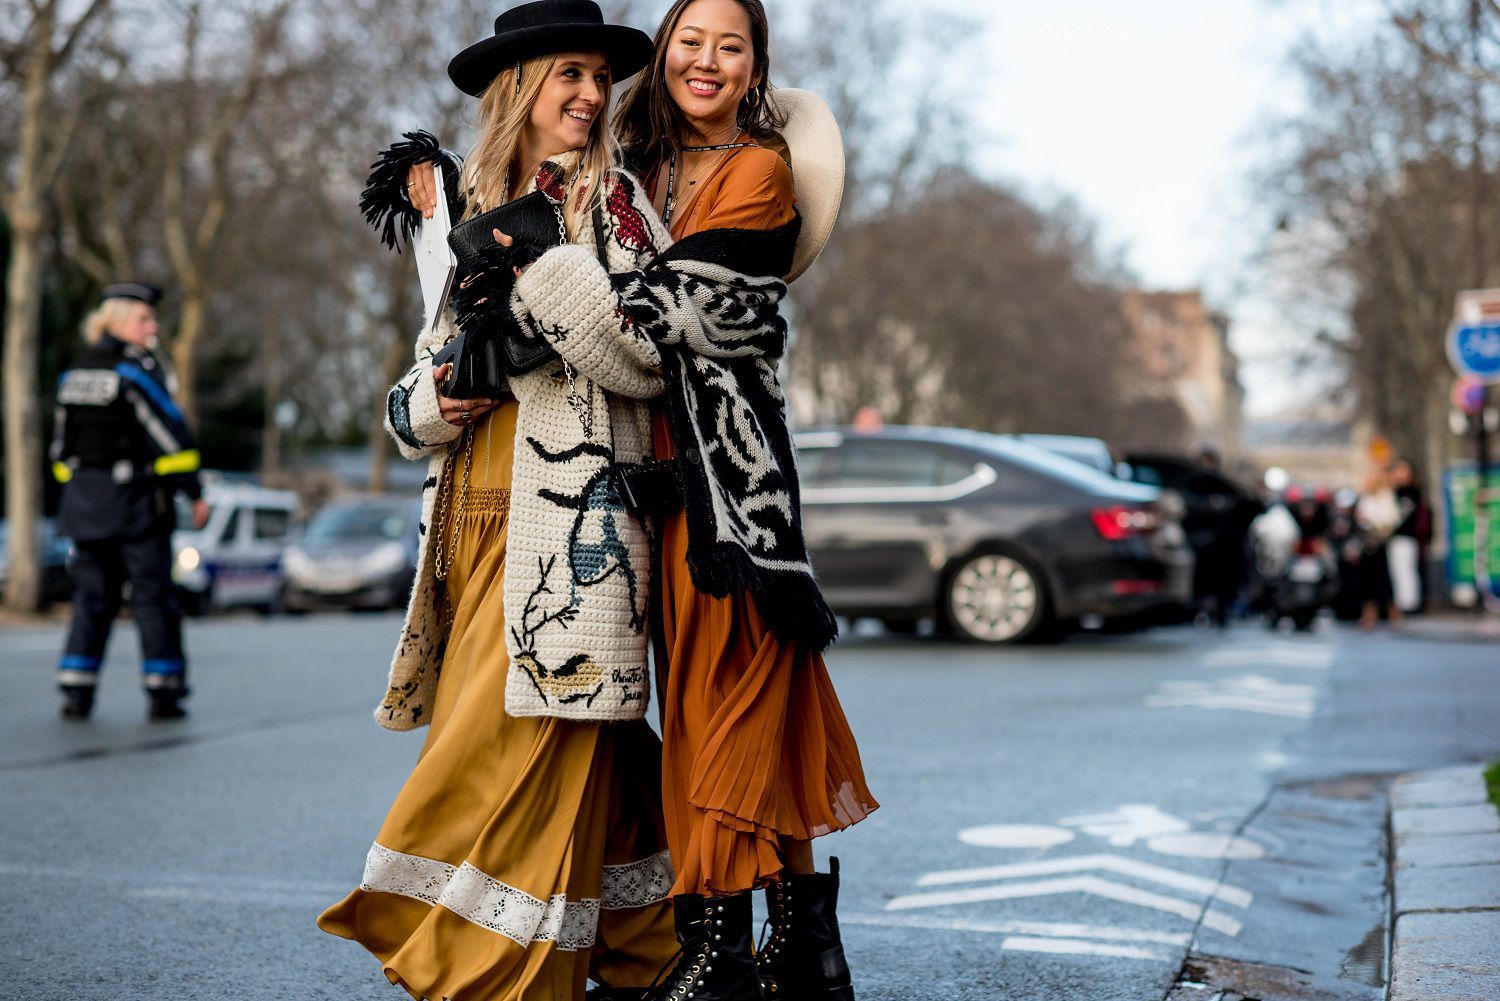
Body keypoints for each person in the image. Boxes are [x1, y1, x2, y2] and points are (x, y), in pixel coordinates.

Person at [494, 2, 880, 997]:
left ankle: (717, 954)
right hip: (647, 479)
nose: (707, 60)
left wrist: (536, 285)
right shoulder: (638, 169)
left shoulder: (760, 172)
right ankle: (803, 948)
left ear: (756, 66)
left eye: (730, 45)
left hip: (729, 490)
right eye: (690, 41)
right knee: (723, 702)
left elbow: (660, 310)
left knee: (726, 703)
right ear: (665, 51)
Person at [316, 5, 680, 999]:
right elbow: (410, 393)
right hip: (469, 519)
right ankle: (654, 948)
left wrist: (541, 272)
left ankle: (493, 975)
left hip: (567, 529)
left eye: (599, 77)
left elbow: (651, 356)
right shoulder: (465, 207)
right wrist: (436, 400)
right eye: (569, 74)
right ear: (516, 88)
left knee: (498, 756)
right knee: (565, 754)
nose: (591, 95)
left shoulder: (616, 205)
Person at [50, 282, 207, 721]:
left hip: (85, 509)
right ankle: (163, 690)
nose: (152, 327)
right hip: (136, 507)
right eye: (144, 319)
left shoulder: (71, 377)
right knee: (153, 597)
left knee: (90, 598)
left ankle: (76, 689)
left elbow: (59, 452)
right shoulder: (134, 375)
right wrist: (193, 491)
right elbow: (171, 439)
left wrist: (82, 489)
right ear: (117, 321)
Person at [1354, 467, 1403, 630]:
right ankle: (1369, 614)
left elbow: (1391, 518)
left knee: (1383, 579)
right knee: (1367, 580)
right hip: (1367, 543)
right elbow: (1360, 518)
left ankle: (1392, 612)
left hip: (1381, 542)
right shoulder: (1366, 498)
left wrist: (1373, 520)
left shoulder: (1386, 496)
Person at [1387, 459, 1429, 613]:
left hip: (1408, 537)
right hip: (1395, 538)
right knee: (1397, 571)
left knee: (1407, 570)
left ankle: (1410, 604)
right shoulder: (1393, 491)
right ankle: (1401, 602)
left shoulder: (1412, 492)